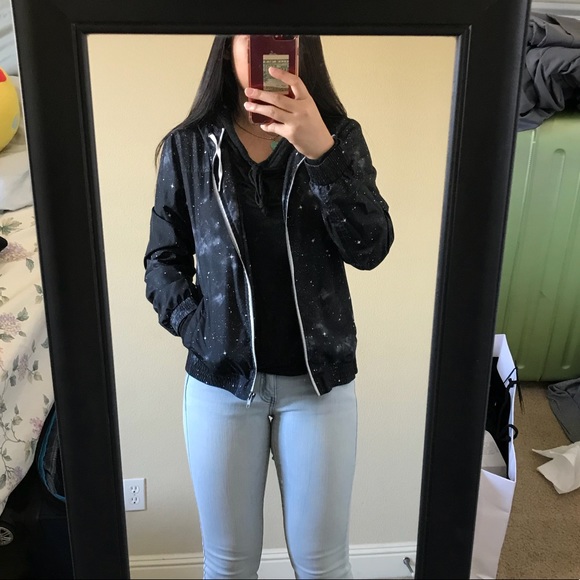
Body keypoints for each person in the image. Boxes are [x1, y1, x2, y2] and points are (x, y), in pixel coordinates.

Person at [144, 34, 394, 580]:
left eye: (285, 33)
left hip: (320, 385)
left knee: (324, 567)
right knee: (228, 567)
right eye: (254, 33)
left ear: (305, 47)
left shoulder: (338, 137)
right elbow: (163, 262)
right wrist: (202, 330)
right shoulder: (191, 146)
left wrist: (322, 153)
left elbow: (370, 247)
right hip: (222, 385)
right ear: (227, 46)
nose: (271, 45)